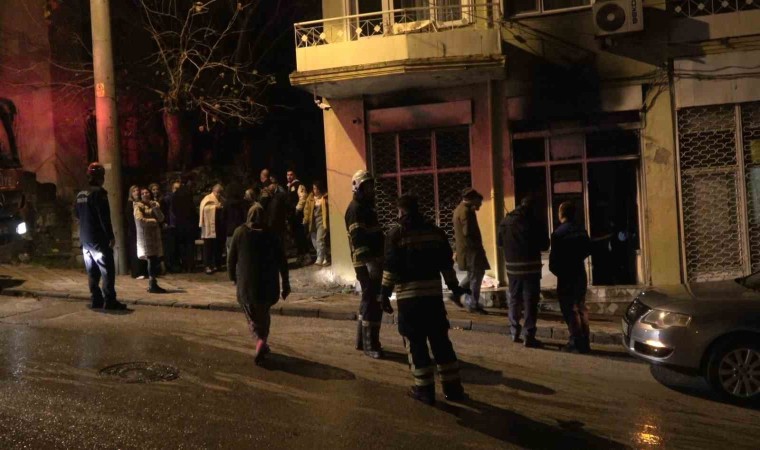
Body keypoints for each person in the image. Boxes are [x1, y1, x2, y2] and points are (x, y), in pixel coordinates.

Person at [380, 194, 467, 405]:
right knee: (441, 342)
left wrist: (384, 294)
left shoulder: (396, 233)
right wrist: (454, 287)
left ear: (401, 210)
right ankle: (453, 389)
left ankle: (424, 390)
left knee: (416, 343)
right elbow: (446, 265)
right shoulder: (435, 232)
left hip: (409, 299)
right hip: (433, 298)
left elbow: (390, 267)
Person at [228, 202, 291, 365]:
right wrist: (286, 283)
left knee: (251, 316)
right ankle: (263, 340)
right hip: (268, 285)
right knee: (264, 314)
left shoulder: (240, 233)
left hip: (247, 285)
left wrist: (232, 276)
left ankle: (259, 340)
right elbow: (282, 261)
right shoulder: (272, 234)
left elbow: (231, 258)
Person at [345, 169, 388, 359]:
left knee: (368, 299)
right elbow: (358, 239)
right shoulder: (356, 209)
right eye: (367, 186)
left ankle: (362, 341)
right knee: (373, 301)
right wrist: (370, 262)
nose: (371, 190)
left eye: (371, 186)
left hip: (373, 261)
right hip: (366, 263)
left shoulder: (366, 208)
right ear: (358, 188)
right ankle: (371, 344)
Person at [498, 196, 550, 348]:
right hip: (531, 270)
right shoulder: (534, 222)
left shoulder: (505, 221)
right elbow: (545, 245)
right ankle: (529, 335)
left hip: (512, 269)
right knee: (530, 302)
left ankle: (514, 332)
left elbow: (500, 244)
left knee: (514, 299)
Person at [74, 162, 126, 310]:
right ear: (101, 177)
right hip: (98, 239)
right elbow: (104, 217)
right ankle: (110, 301)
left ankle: (96, 299)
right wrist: (110, 236)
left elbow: (76, 214)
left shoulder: (80, 194)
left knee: (92, 271)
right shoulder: (99, 194)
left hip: (85, 240)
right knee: (107, 269)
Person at [550, 201, 592, 354]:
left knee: (570, 309)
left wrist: (559, 271)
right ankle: (584, 341)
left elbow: (554, 261)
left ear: (561, 214)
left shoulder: (558, 233)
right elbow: (588, 250)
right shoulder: (581, 231)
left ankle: (575, 342)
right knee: (581, 307)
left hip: (566, 275)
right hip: (579, 273)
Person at [453, 189, 490, 314]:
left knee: (472, 276)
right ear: (473, 199)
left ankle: (457, 294)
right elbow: (468, 232)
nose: (480, 205)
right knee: (476, 276)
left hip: (467, 251)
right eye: (479, 202)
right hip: (471, 251)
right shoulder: (466, 212)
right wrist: (476, 249)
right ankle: (473, 303)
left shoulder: (459, 209)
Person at [134, 187, 168, 294]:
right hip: (145, 236)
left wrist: (155, 208)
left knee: (155, 258)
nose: (145, 194)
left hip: (155, 236)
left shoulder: (155, 204)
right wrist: (153, 221)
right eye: (143, 193)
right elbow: (140, 220)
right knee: (151, 258)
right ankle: (152, 283)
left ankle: (153, 282)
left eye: (147, 192)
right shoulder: (138, 206)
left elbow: (161, 218)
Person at [173, 179, 198, 272]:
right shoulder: (188, 194)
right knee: (190, 245)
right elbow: (193, 210)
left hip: (179, 223)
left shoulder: (176, 196)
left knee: (181, 245)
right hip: (189, 223)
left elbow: (174, 210)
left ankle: (184, 265)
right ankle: (191, 265)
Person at [303, 180, 330, 266]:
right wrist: (305, 220)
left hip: (322, 221)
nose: (315, 190)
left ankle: (319, 258)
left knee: (320, 240)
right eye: (314, 188)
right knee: (314, 241)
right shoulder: (310, 198)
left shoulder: (324, 197)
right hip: (313, 222)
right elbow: (306, 210)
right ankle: (325, 256)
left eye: (316, 188)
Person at [199, 184, 224, 275]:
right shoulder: (207, 198)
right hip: (208, 226)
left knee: (217, 246)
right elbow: (204, 208)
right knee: (208, 246)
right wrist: (215, 207)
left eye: (220, 193)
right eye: (217, 192)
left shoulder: (221, 199)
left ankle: (216, 264)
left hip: (218, 226)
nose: (219, 194)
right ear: (213, 191)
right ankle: (207, 265)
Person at [287, 170, 310, 264]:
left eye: (291, 175)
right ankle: (300, 255)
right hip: (292, 215)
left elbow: (303, 197)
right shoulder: (289, 186)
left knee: (301, 235)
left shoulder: (299, 185)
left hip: (298, 215)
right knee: (296, 236)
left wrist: (298, 209)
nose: (289, 176)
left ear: (295, 175)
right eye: (288, 175)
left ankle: (307, 255)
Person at [126, 185, 148, 279]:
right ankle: (136, 272)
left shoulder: (141, 203)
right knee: (135, 251)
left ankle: (143, 271)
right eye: (134, 191)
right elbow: (129, 218)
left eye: (137, 190)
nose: (136, 192)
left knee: (142, 250)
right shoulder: (130, 203)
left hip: (141, 230)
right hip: (134, 231)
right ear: (131, 193)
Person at [161, 180, 181, 273]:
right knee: (170, 247)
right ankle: (171, 265)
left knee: (177, 247)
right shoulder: (167, 198)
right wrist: (165, 222)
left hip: (178, 225)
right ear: (172, 188)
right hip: (170, 225)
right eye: (176, 188)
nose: (177, 190)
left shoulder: (181, 198)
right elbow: (164, 211)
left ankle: (176, 265)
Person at [223, 182, 247, 254]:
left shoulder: (227, 204)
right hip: (240, 230)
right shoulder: (243, 203)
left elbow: (223, 217)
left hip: (230, 231)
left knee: (230, 252)